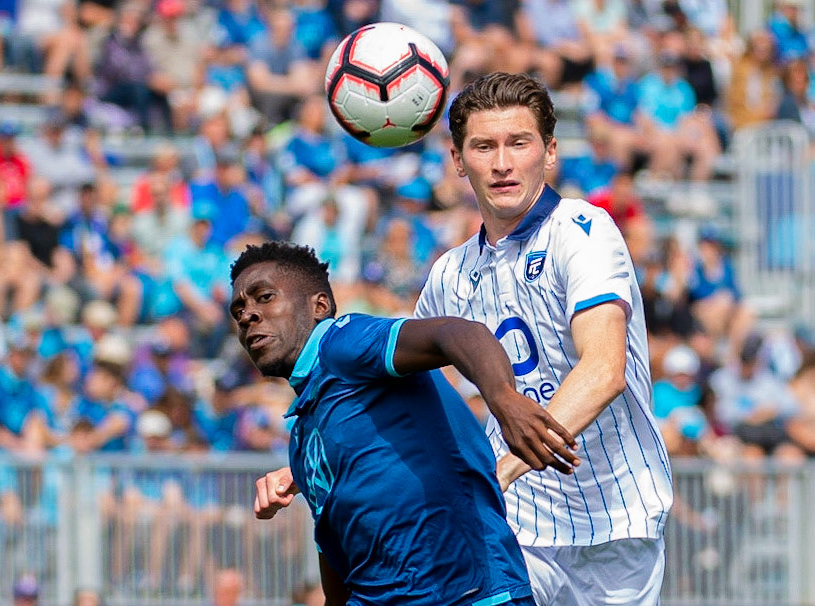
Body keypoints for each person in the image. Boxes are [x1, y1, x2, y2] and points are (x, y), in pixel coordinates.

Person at [414, 72, 671, 606]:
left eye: (519, 143)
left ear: (549, 151)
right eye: (483, 146)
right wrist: (306, 465)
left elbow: (603, 370)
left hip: (614, 521)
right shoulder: (450, 273)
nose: (502, 163)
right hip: (517, 524)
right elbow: (402, 383)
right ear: (459, 161)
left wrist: (502, 468)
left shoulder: (584, 230)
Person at [238, 241, 578, 606]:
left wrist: (504, 399)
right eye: (238, 309)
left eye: (264, 297)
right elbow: (338, 556)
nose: (247, 315)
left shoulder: (341, 343)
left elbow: (458, 333)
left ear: (319, 305)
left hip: (470, 594)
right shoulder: (303, 437)